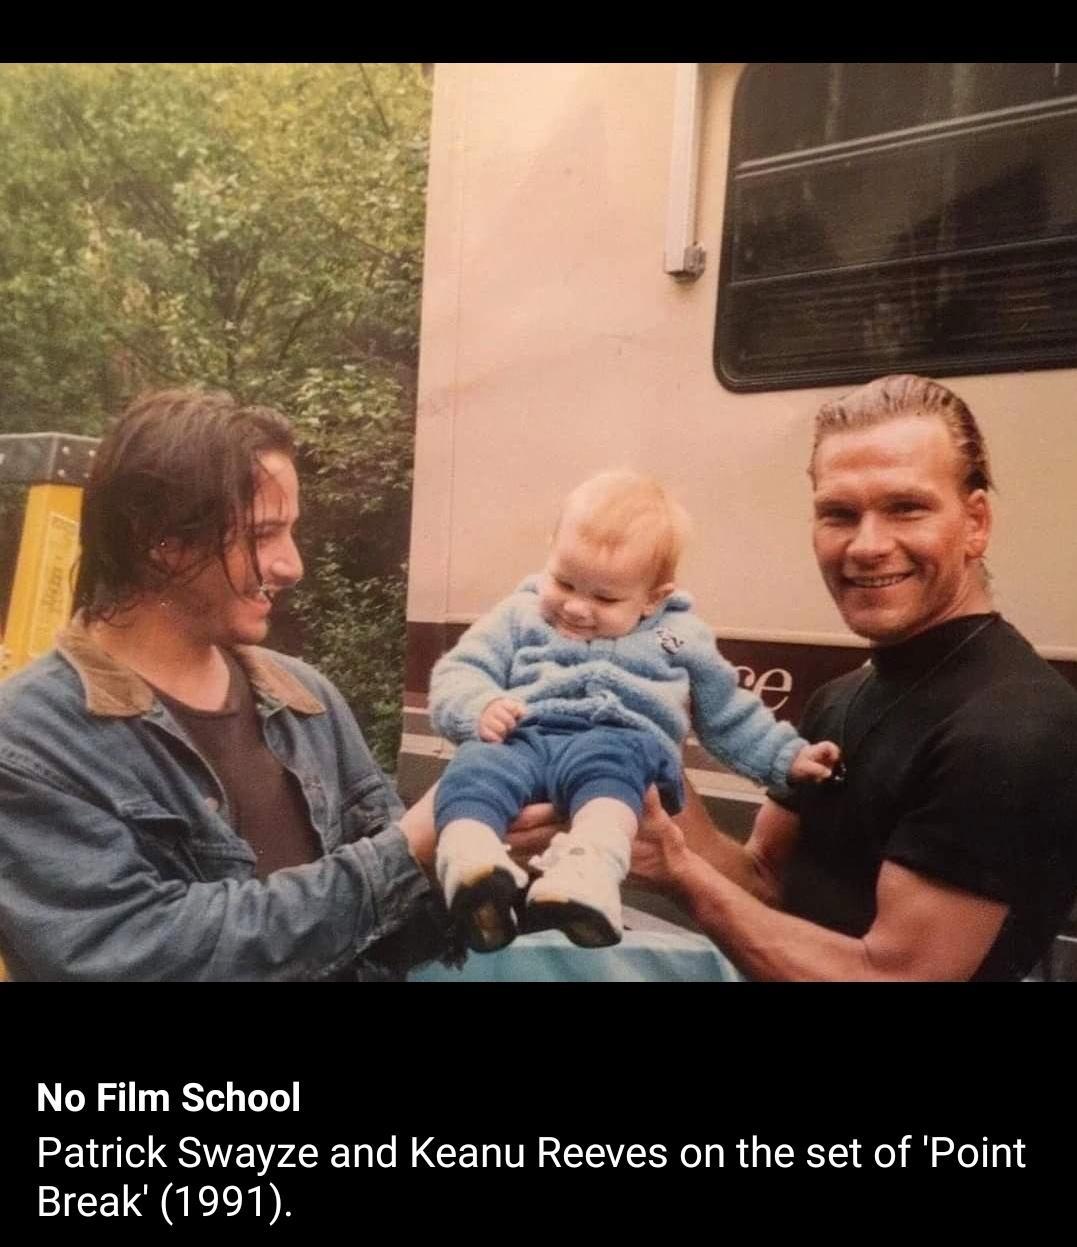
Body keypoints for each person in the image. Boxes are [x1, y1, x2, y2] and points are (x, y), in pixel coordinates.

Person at [631, 374, 1077, 982]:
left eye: (906, 508)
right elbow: (763, 879)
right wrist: (646, 750)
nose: (866, 546)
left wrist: (681, 877)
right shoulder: (843, 696)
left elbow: (895, 977)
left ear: (976, 523)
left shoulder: (1011, 727)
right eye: (839, 514)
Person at [0, 388, 453, 981]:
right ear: (162, 542)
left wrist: (507, 851)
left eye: (291, 532)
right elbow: (143, 955)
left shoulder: (306, 700)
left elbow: (394, 926)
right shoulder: (30, 741)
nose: (293, 565)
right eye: (264, 534)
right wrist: (403, 852)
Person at [428, 470, 839, 953]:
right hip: (524, 733)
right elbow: (459, 670)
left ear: (653, 598)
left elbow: (728, 711)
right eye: (564, 582)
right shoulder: (518, 613)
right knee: (475, 767)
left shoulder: (680, 636)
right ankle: (471, 862)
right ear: (550, 554)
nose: (578, 608)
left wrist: (786, 757)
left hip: (619, 741)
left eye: (604, 597)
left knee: (613, 783)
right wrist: (480, 706)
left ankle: (587, 875)